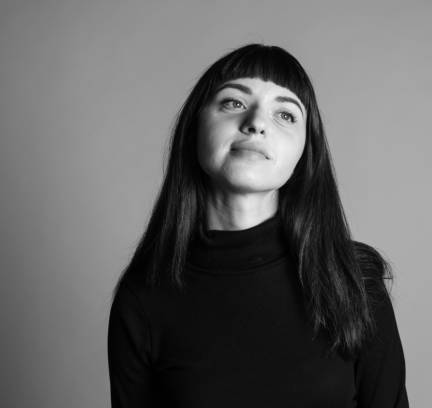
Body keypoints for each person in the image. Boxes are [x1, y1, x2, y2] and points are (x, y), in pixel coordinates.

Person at [107, 43, 410, 408]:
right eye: (233, 102)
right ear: (194, 128)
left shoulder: (354, 281)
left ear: (304, 152)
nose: (256, 123)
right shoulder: (144, 296)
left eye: (285, 115)